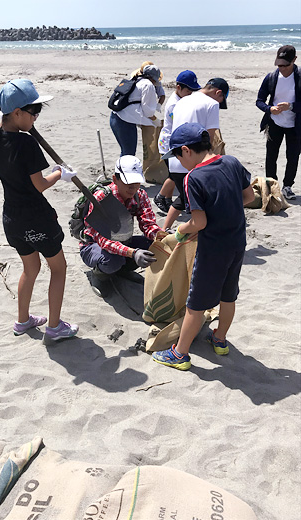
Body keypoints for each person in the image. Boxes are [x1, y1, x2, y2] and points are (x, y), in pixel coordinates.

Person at [0, 78, 78, 340]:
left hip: (12, 218)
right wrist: (60, 173)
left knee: (30, 268)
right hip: (36, 216)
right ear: (17, 113)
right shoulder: (26, 143)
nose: (36, 117)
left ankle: (23, 321)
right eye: (34, 112)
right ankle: (55, 327)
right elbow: (39, 185)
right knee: (58, 268)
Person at [152, 123, 255, 370]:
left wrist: (180, 230)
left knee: (195, 303)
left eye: (176, 156)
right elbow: (249, 197)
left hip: (212, 250)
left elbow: (199, 222)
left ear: (186, 150)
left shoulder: (193, 178)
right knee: (228, 296)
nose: (177, 162)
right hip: (237, 242)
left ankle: (179, 354)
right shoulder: (231, 162)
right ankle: (220, 340)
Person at [79, 155, 161, 296]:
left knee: (154, 245)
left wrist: (161, 236)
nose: (133, 189)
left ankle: (122, 271)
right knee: (112, 260)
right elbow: (104, 241)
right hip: (94, 246)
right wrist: (133, 253)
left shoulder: (140, 195)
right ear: (115, 179)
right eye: (129, 184)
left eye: (137, 184)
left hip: (123, 240)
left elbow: (148, 224)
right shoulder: (101, 199)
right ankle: (99, 276)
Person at [161, 78, 229, 231]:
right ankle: (185, 234)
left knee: (185, 198)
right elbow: (210, 137)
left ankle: (164, 229)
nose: (219, 102)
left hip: (176, 158)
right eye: (221, 98)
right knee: (199, 202)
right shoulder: (211, 104)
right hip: (194, 161)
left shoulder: (182, 100)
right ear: (218, 93)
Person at [256, 45, 301, 200]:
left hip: (295, 125)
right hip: (274, 123)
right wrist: (269, 109)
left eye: (285, 65)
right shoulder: (271, 77)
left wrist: (291, 106)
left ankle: (287, 186)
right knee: (271, 156)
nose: (281, 68)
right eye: (279, 64)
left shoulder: (300, 77)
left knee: (293, 156)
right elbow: (259, 100)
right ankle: (271, 186)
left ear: (294, 60)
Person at [154, 70, 201, 213]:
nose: (190, 94)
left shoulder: (181, 100)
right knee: (175, 175)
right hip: (169, 143)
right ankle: (160, 197)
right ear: (178, 87)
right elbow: (179, 126)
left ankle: (167, 199)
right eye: (188, 90)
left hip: (173, 141)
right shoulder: (174, 105)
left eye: (193, 91)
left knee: (174, 174)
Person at [110, 64, 163, 156]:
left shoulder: (136, 80)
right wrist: (155, 120)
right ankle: (122, 170)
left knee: (125, 151)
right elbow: (148, 111)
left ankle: (121, 169)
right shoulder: (148, 85)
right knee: (128, 152)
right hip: (124, 121)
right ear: (153, 78)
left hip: (115, 117)